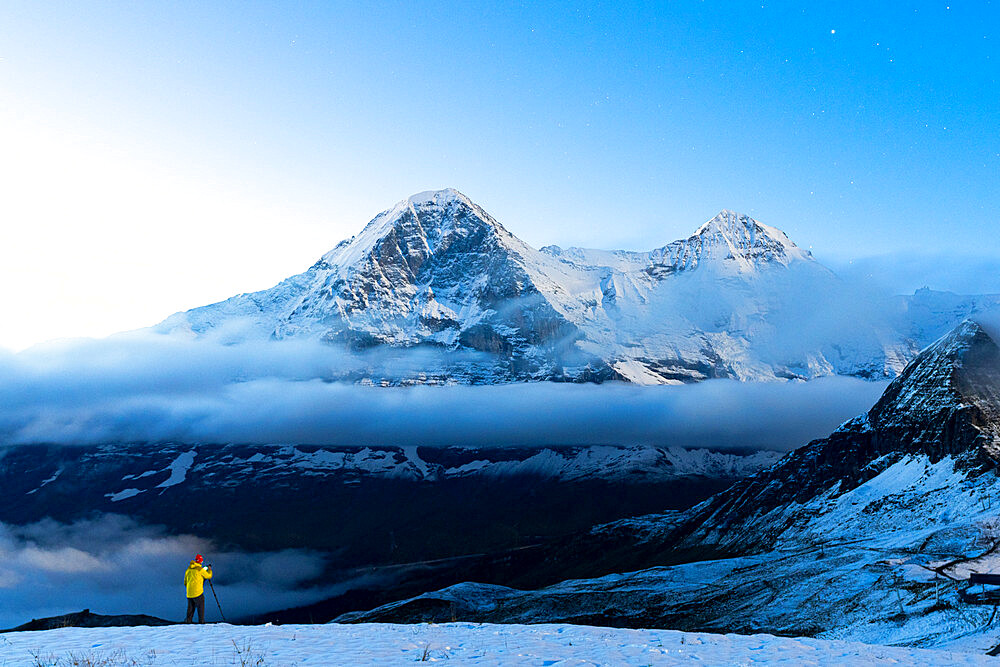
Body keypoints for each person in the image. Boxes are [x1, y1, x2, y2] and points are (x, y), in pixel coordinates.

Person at [184, 554, 213, 623]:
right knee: (200, 608)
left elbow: (185, 582)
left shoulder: (188, 570)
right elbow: (208, 576)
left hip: (189, 593)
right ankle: (201, 622)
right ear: (201, 561)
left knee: (190, 609)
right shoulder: (200, 570)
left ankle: (188, 622)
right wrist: (209, 570)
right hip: (198, 593)